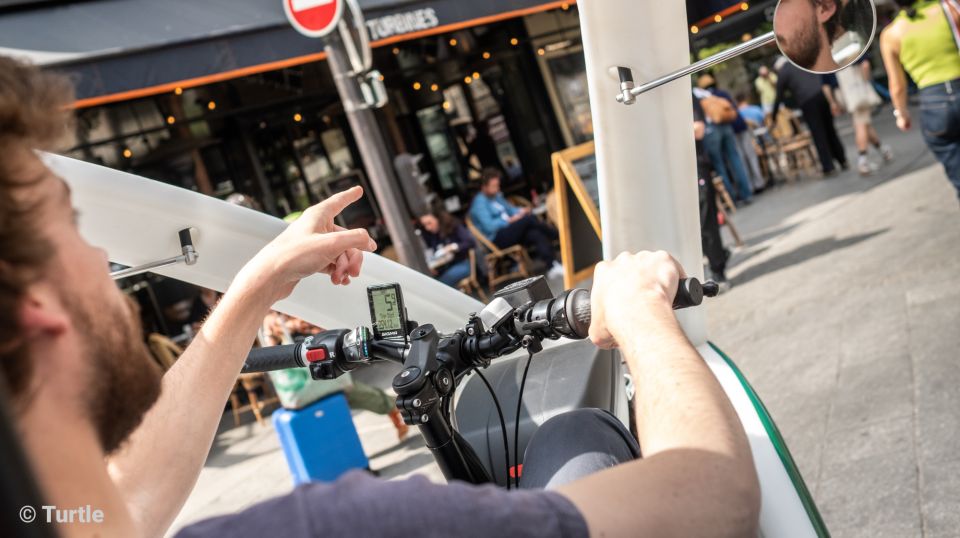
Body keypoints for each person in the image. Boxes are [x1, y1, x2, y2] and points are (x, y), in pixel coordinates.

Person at [1, 57, 759, 537]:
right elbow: (713, 495)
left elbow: (124, 505)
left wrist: (254, 286)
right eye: (73, 225)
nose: (103, 256)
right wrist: (641, 317)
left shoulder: (52, 516)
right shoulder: (345, 525)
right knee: (574, 435)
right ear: (38, 310)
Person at [881, 0, 960, 200]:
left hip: (934, 105)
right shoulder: (948, 8)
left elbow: (897, 86)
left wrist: (901, 114)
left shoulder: (891, 34)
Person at [470, 168, 564, 278]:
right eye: (494, 186)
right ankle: (558, 235)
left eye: (498, 185)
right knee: (528, 219)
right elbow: (489, 226)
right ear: (484, 187)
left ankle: (552, 266)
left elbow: (510, 209)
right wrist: (509, 220)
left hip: (512, 231)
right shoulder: (479, 204)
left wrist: (521, 211)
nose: (497, 188)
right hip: (498, 238)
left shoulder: (496, 197)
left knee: (534, 233)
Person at [772, 60, 850, 175]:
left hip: (807, 102)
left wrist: (774, 116)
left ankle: (828, 167)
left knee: (818, 134)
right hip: (821, 95)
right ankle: (842, 160)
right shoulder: (798, 62)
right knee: (830, 130)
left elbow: (779, 95)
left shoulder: (783, 72)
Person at [694, 77, 754, 204]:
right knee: (735, 159)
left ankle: (732, 198)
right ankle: (746, 193)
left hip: (711, 130)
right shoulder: (713, 94)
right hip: (725, 126)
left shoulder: (695, 94)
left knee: (719, 164)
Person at [693, 94, 733, 289]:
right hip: (670, 172)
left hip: (695, 166)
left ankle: (718, 271)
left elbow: (698, 130)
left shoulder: (683, 93)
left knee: (706, 220)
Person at [830, 56, 895, 175]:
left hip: (842, 94)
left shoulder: (823, 55)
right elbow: (865, 65)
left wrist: (832, 102)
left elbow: (826, 83)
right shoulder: (851, 48)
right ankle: (862, 160)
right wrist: (866, 82)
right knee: (861, 125)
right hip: (856, 91)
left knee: (864, 124)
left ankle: (882, 150)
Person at [418, 211, 477, 288]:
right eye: (424, 225)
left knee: (439, 285)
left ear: (437, 219)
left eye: (429, 223)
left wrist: (453, 247)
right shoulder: (432, 236)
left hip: (463, 263)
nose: (427, 228)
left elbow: (470, 242)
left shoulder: (452, 226)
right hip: (446, 267)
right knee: (430, 282)